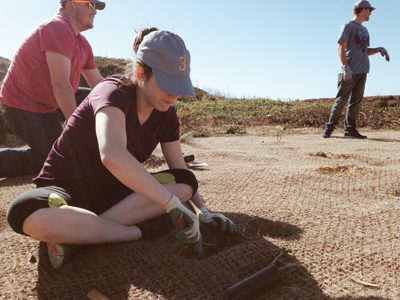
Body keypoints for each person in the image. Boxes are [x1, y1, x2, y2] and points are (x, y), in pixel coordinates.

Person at [6, 29, 236, 269]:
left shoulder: (167, 113)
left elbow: (179, 168)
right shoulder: (112, 93)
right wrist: (171, 205)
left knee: (185, 183)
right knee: (24, 212)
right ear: (140, 73)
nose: (175, 94)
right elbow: (112, 155)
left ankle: (79, 233)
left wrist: (203, 211)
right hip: (65, 190)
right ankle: (134, 232)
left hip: (115, 196)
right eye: (168, 83)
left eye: (179, 85)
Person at [0, 0, 106, 178]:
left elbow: (100, 85)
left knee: (101, 98)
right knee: (65, 158)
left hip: (49, 105)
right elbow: (61, 85)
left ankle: (50, 154)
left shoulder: (82, 43)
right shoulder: (58, 27)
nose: (95, 12)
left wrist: (128, 99)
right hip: (22, 108)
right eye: (91, 5)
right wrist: (78, 131)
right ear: (71, 4)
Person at [322, 0, 390, 139]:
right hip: (349, 71)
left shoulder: (365, 30)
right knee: (341, 101)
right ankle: (328, 130)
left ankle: (350, 130)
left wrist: (379, 49)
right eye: (369, 10)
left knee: (356, 102)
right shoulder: (348, 26)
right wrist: (345, 67)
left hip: (363, 71)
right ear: (362, 9)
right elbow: (341, 47)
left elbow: (364, 50)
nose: (371, 13)